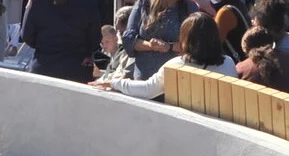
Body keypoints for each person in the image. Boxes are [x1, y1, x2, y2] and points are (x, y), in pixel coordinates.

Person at [95, 10, 233, 99]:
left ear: (185, 39)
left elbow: (147, 89)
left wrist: (116, 83)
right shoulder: (228, 63)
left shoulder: (176, 65)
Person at [22, 0, 102, 84]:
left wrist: (45, 47)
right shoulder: (89, 3)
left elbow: (26, 35)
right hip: (76, 71)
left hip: (43, 67)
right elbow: (95, 40)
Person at [119, 0, 195, 80]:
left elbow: (195, 45)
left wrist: (169, 47)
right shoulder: (144, 4)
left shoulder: (190, 8)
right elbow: (128, 39)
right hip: (144, 76)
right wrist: (151, 46)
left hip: (176, 77)